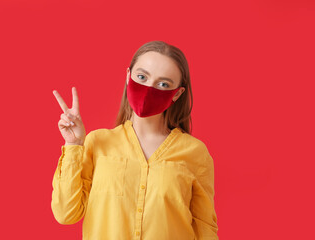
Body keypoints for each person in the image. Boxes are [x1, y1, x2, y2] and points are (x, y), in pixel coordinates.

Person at [51, 40, 219, 240]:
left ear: (177, 94)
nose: (149, 88)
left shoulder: (195, 153)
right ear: (128, 77)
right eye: (142, 77)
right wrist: (73, 145)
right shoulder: (96, 143)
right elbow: (66, 213)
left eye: (163, 84)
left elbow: (205, 229)